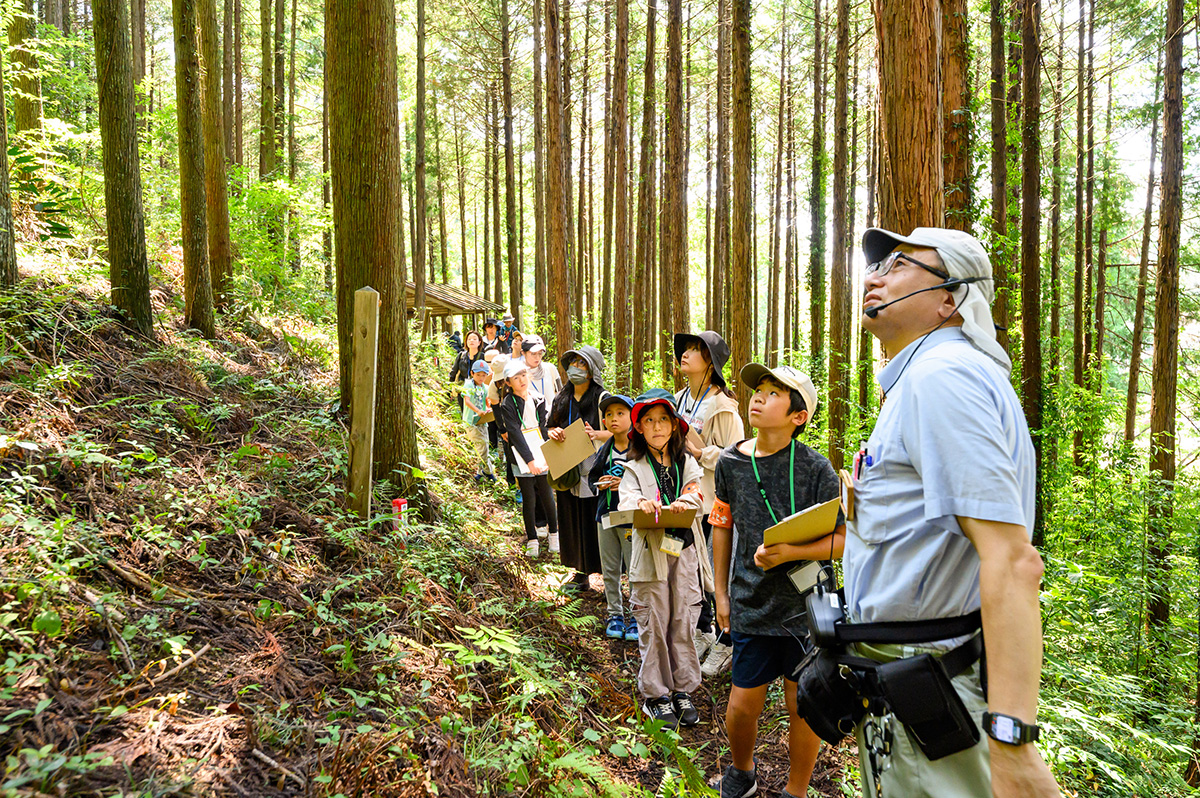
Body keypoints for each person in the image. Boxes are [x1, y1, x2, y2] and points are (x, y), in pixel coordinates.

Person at [842, 227, 1059, 797]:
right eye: (875, 266)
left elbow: (1013, 561)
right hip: (911, 684)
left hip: (935, 686)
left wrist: (1013, 740)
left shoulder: (944, 379)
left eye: (898, 265)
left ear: (951, 299)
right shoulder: (928, 377)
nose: (873, 277)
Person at [710, 364, 846, 798]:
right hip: (750, 601)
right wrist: (721, 593)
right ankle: (742, 773)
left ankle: (796, 790)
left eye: (773, 393)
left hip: (807, 609)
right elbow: (722, 527)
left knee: (800, 705)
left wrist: (793, 553)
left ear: (798, 417)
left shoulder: (816, 469)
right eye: (758, 390)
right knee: (742, 705)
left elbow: (841, 541)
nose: (758, 397)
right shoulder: (731, 462)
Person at [618, 390, 712, 728]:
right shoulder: (634, 468)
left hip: (684, 551)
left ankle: (682, 688)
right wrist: (641, 504)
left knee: (683, 617)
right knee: (654, 619)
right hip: (650, 553)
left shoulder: (687, 462)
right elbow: (626, 500)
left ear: (675, 426)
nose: (657, 427)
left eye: (663, 420)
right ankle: (656, 694)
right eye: (649, 421)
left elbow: (696, 494)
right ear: (639, 429)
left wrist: (683, 503)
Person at [672, 331, 743, 676]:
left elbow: (737, 453)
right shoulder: (678, 398)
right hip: (684, 498)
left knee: (719, 573)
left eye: (695, 350)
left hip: (714, 500)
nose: (685, 354)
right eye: (684, 349)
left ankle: (727, 641)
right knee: (692, 567)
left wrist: (702, 452)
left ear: (710, 363)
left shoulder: (723, 406)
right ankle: (702, 631)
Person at [546, 345, 610, 586]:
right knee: (571, 517)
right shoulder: (560, 398)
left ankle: (606, 575)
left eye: (582, 364)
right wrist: (554, 432)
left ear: (592, 371)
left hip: (594, 469)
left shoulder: (602, 398)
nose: (576, 368)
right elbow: (549, 426)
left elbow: (620, 431)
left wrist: (596, 435)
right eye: (573, 363)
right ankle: (579, 572)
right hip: (567, 468)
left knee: (594, 519)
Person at [496, 359, 560, 558]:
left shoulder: (539, 398)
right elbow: (514, 433)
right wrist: (529, 461)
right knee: (529, 498)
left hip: (540, 452)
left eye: (523, 375)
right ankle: (532, 538)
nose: (521, 380)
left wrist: (548, 452)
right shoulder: (508, 404)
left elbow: (544, 427)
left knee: (547, 495)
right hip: (520, 455)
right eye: (516, 377)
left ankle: (554, 534)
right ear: (508, 382)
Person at [587, 393, 638, 642]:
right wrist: (601, 484)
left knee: (635, 569)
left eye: (620, 413)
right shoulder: (604, 450)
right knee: (610, 568)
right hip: (605, 515)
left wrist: (624, 483)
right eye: (608, 415)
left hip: (631, 519)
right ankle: (614, 614)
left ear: (632, 417)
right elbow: (592, 479)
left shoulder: (639, 449)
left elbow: (650, 482)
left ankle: (637, 615)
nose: (614, 419)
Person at [462, 360, 495, 482]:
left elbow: (487, 401)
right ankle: (486, 472)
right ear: (472, 373)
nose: (481, 378)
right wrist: (477, 410)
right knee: (482, 446)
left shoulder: (485, 387)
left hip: (483, 421)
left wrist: (489, 409)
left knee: (484, 445)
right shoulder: (468, 385)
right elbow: (467, 401)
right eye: (478, 374)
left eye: (484, 375)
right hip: (471, 421)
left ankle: (484, 472)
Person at [487, 354, 517, 488]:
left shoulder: (520, 378)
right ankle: (511, 482)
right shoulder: (494, 386)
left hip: (522, 418)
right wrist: (503, 430)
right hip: (506, 420)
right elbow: (495, 408)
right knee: (509, 451)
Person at [449, 330, 485, 412]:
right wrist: (449, 388)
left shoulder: (483, 356)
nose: (471, 341)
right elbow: (453, 372)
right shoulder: (461, 355)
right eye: (469, 339)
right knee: (464, 412)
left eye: (474, 339)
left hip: (478, 390)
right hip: (463, 389)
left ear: (479, 342)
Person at [524, 335, 562, 402]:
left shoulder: (550, 368)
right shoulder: (519, 374)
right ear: (523, 353)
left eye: (540, 353)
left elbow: (561, 393)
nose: (537, 357)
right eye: (533, 354)